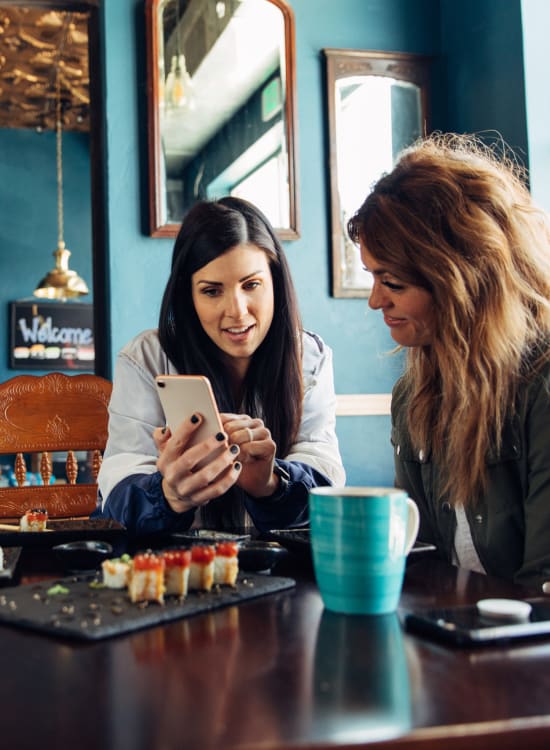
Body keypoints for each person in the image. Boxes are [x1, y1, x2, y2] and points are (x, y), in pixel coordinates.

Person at [347, 132, 550, 590]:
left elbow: (544, 588)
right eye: (374, 279)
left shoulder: (543, 389)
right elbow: (418, 563)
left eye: (393, 282)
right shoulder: (412, 399)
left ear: (462, 281)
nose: (376, 300)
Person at [94, 196, 345, 535]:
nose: (237, 311)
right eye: (212, 291)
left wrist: (271, 484)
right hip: (174, 571)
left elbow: (324, 472)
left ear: (276, 282)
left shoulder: (310, 357)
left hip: (283, 570)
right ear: (189, 296)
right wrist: (169, 496)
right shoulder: (148, 358)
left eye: (251, 285)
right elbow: (119, 480)